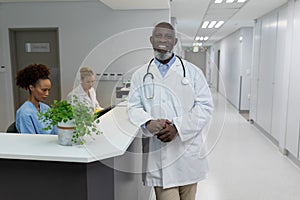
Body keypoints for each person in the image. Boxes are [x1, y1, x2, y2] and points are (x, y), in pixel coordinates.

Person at [127, 22, 214, 200]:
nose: (163, 40)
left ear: (174, 41)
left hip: (187, 152)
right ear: (151, 40)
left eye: (167, 36)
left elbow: (205, 106)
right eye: (158, 36)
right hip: (159, 154)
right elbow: (133, 107)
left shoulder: (193, 72)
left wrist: (178, 128)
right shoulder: (140, 75)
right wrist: (148, 122)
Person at [16, 64, 57, 134]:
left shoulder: (46, 108)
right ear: (31, 88)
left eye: (48, 90)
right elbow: (30, 141)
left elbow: (56, 132)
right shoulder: (24, 113)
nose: (47, 94)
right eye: (44, 90)